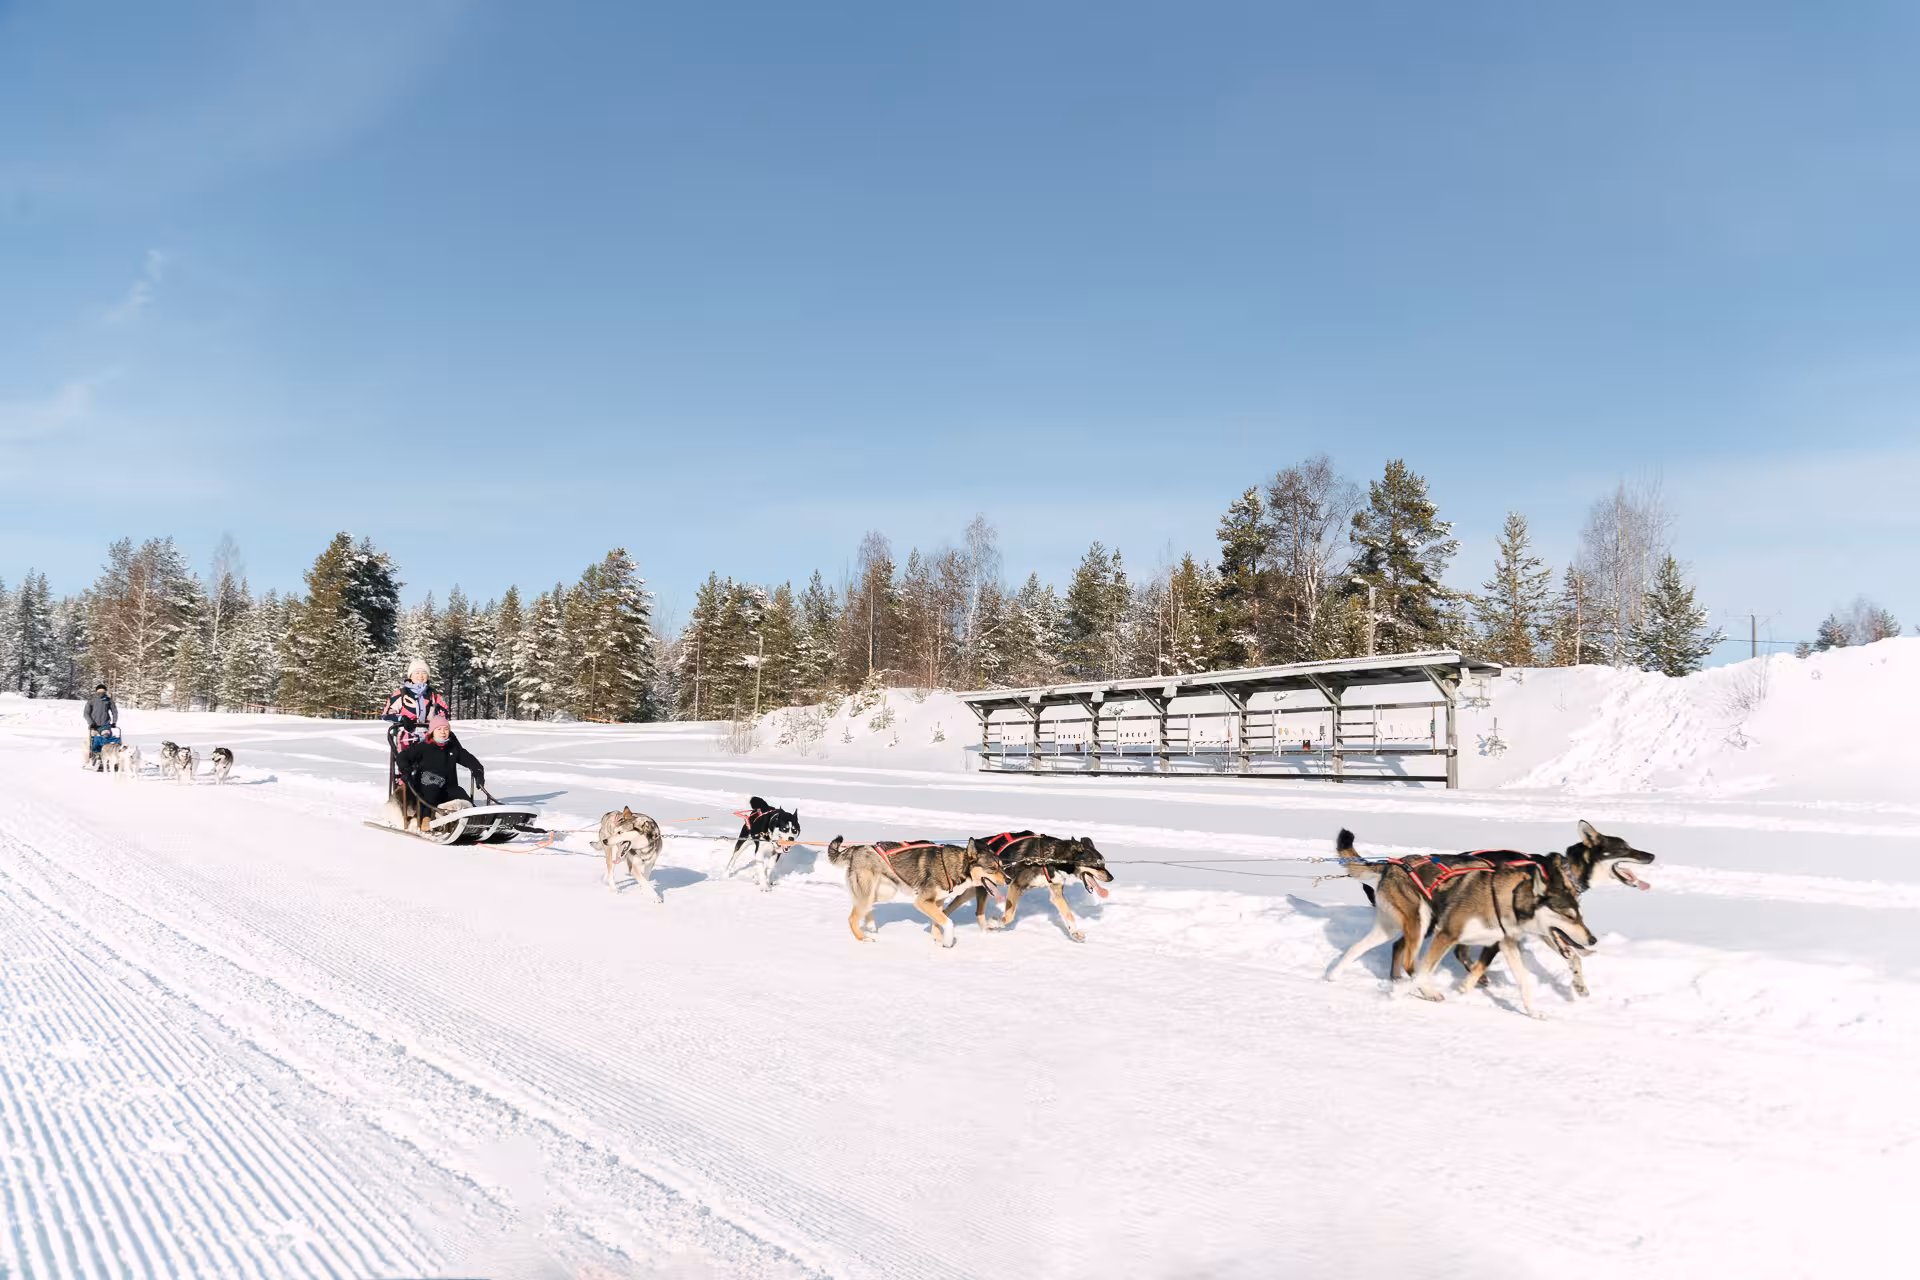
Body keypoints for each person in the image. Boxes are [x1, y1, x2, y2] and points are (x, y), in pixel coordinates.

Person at [394, 713, 486, 812]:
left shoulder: (453, 747)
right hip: (427, 788)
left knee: (460, 793)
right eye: (439, 729)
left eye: (446, 729)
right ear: (432, 732)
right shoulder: (423, 747)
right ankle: (426, 819)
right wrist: (406, 769)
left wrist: (478, 772)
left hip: (449, 788)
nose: (443, 732)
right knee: (431, 792)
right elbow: (403, 756)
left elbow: (470, 760)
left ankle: (474, 815)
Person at [382, 658, 450, 752]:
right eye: (417, 673)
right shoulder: (401, 693)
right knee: (407, 763)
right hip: (406, 735)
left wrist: (436, 720)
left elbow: (444, 713)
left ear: (428, 676)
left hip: (429, 735)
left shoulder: (433, 694)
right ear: (410, 675)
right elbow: (386, 714)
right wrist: (401, 719)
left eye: (424, 673)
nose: (421, 676)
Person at [84, 682, 118, 769]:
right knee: (103, 742)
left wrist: (91, 722)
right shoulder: (105, 700)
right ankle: (99, 760)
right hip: (100, 726)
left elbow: (86, 713)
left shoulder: (94, 700)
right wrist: (114, 722)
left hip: (98, 726)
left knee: (95, 743)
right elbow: (114, 712)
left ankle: (95, 760)